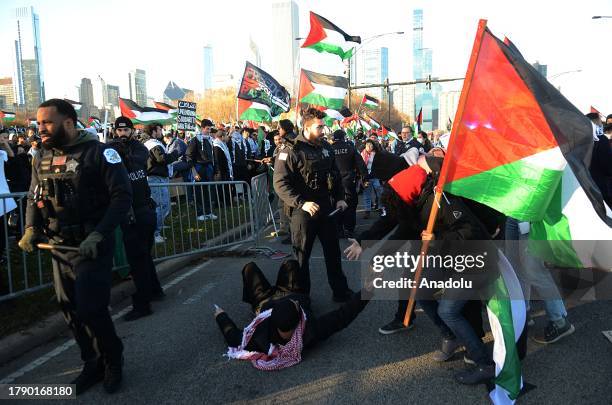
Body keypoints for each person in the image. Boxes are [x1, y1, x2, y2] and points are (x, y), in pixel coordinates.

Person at [18, 99, 132, 394]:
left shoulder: (99, 152)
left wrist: (100, 234)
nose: (40, 128)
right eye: (38, 123)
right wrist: (31, 228)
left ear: (68, 123)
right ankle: (91, 362)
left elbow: (121, 197)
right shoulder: (40, 155)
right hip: (58, 246)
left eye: (47, 122)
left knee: (91, 307)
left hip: (91, 245)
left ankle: (112, 359)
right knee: (70, 309)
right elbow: (33, 196)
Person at [214, 260, 373, 370]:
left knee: (249, 268)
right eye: (297, 307)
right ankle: (283, 286)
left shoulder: (259, 336)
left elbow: (234, 337)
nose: (297, 306)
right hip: (292, 292)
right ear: (299, 321)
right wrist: (368, 290)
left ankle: (272, 290)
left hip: (264, 300)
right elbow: (343, 316)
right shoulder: (311, 330)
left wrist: (220, 315)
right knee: (291, 264)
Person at [273, 108, 353, 302]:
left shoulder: (325, 147)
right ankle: (302, 299)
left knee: (333, 253)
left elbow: (335, 174)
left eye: (323, 126)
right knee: (301, 258)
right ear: (306, 127)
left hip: (326, 208)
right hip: (303, 212)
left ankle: (340, 292)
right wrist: (301, 203)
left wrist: (340, 197)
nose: (323, 130)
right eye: (319, 127)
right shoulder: (290, 150)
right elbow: (280, 183)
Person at [109, 117, 164, 321]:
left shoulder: (139, 147)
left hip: (142, 209)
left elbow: (140, 161)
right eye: (119, 130)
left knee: (139, 257)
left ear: (132, 131)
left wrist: (125, 149)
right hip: (130, 211)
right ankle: (155, 290)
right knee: (142, 256)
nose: (122, 133)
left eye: (126, 130)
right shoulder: (111, 149)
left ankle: (143, 303)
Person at [142, 122, 178, 243]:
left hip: (159, 177)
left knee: (164, 205)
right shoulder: (152, 144)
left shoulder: (154, 143)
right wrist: (175, 153)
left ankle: (158, 227)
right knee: (161, 205)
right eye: (159, 130)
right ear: (153, 131)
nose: (161, 132)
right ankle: (154, 233)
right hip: (155, 178)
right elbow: (161, 159)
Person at [331, 129, 368, 239]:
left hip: (333, 182)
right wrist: (364, 179)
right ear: (344, 137)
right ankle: (349, 229)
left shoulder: (329, 149)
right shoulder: (350, 148)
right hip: (348, 181)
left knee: (335, 204)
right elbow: (361, 164)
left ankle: (338, 229)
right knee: (351, 205)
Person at [186, 119, 217, 221]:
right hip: (198, 167)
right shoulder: (195, 140)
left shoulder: (209, 140)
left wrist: (214, 169)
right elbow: (189, 156)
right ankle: (200, 213)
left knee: (208, 190)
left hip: (208, 168)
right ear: (202, 128)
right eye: (207, 129)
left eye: (210, 129)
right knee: (198, 191)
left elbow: (212, 156)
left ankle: (208, 212)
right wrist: (193, 171)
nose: (209, 131)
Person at [360, 139, 384, 219]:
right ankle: (367, 210)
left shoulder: (376, 154)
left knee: (380, 193)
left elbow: (380, 165)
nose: (369, 147)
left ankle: (381, 208)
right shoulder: (362, 154)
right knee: (367, 194)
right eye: (368, 145)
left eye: (371, 145)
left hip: (376, 176)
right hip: (366, 177)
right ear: (365, 146)